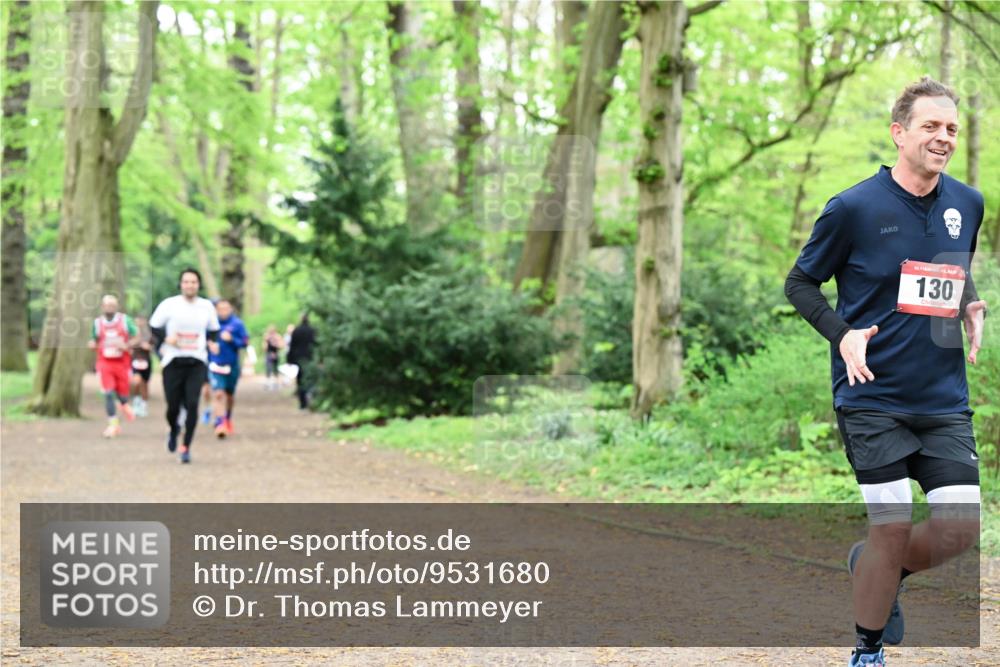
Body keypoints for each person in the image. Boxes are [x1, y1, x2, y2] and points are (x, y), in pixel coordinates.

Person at [785, 77, 986, 667]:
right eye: (931, 126)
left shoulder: (967, 203)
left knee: (959, 530)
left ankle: (874, 566)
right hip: (871, 394)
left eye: (951, 128)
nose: (943, 137)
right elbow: (800, 283)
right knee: (892, 524)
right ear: (899, 133)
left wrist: (969, 300)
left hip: (943, 397)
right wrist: (842, 332)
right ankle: (868, 650)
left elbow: (949, 267)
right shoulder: (852, 208)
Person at [149, 268, 221, 464]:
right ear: (181, 284)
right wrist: (166, 339)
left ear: (198, 285)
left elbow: (214, 330)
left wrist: (213, 343)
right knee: (172, 406)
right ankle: (173, 429)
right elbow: (154, 326)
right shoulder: (169, 305)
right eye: (186, 282)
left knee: (192, 404)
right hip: (173, 361)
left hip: (196, 361)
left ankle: (185, 446)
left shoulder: (206, 306)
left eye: (194, 282)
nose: (190, 285)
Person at [88, 295, 138, 437]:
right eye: (107, 305)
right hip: (105, 362)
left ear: (116, 307)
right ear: (102, 307)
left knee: (122, 396)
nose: (110, 307)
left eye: (112, 305)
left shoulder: (125, 320)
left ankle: (124, 404)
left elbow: (137, 337)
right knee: (108, 393)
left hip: (122, 363)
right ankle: (113, 425)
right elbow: (94, 340)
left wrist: (127, 345)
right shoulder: (97, 323)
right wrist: (92, 344)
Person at [208, 298, 249, 437]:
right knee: (218, 393)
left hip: (231, 364)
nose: (223, 312)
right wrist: (209, 346)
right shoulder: (211, 324)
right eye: (220, 309)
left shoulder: (237, 324)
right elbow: (203, 339)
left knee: (229, 395)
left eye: (226, 309)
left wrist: (232, 339)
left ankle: (227, 417)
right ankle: (220, 423)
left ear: (231, 309)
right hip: (215, 364)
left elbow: (244, 342)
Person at [286, 313, 316, 410]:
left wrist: (289, 359)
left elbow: (292, 346)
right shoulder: (313, 331)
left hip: (299, 358)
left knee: (301, 378)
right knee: (310, 378)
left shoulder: (297, 331)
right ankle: (309, 397)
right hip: (310, 357)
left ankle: (303, 402)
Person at [129, 315, 153, 417]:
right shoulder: (132, 334)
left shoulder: (149, 335)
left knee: (145, 384)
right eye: (137, 321)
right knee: (136, 381)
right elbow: (127, 344)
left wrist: (148, 347)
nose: (139, 323)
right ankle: (136, 402)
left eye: (141, 321)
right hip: (134, 361)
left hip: (146, 361)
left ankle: (143, 405)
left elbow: (154, 346)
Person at [262, 324, 284, 390]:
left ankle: (276, 383)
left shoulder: (278, 336)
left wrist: (276, 344)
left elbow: (281, 345)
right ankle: (268, 383)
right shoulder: (266, 337)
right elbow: (264, 347)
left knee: (276, 369)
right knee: (268, 368)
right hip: (269, 354)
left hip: (275, 353)